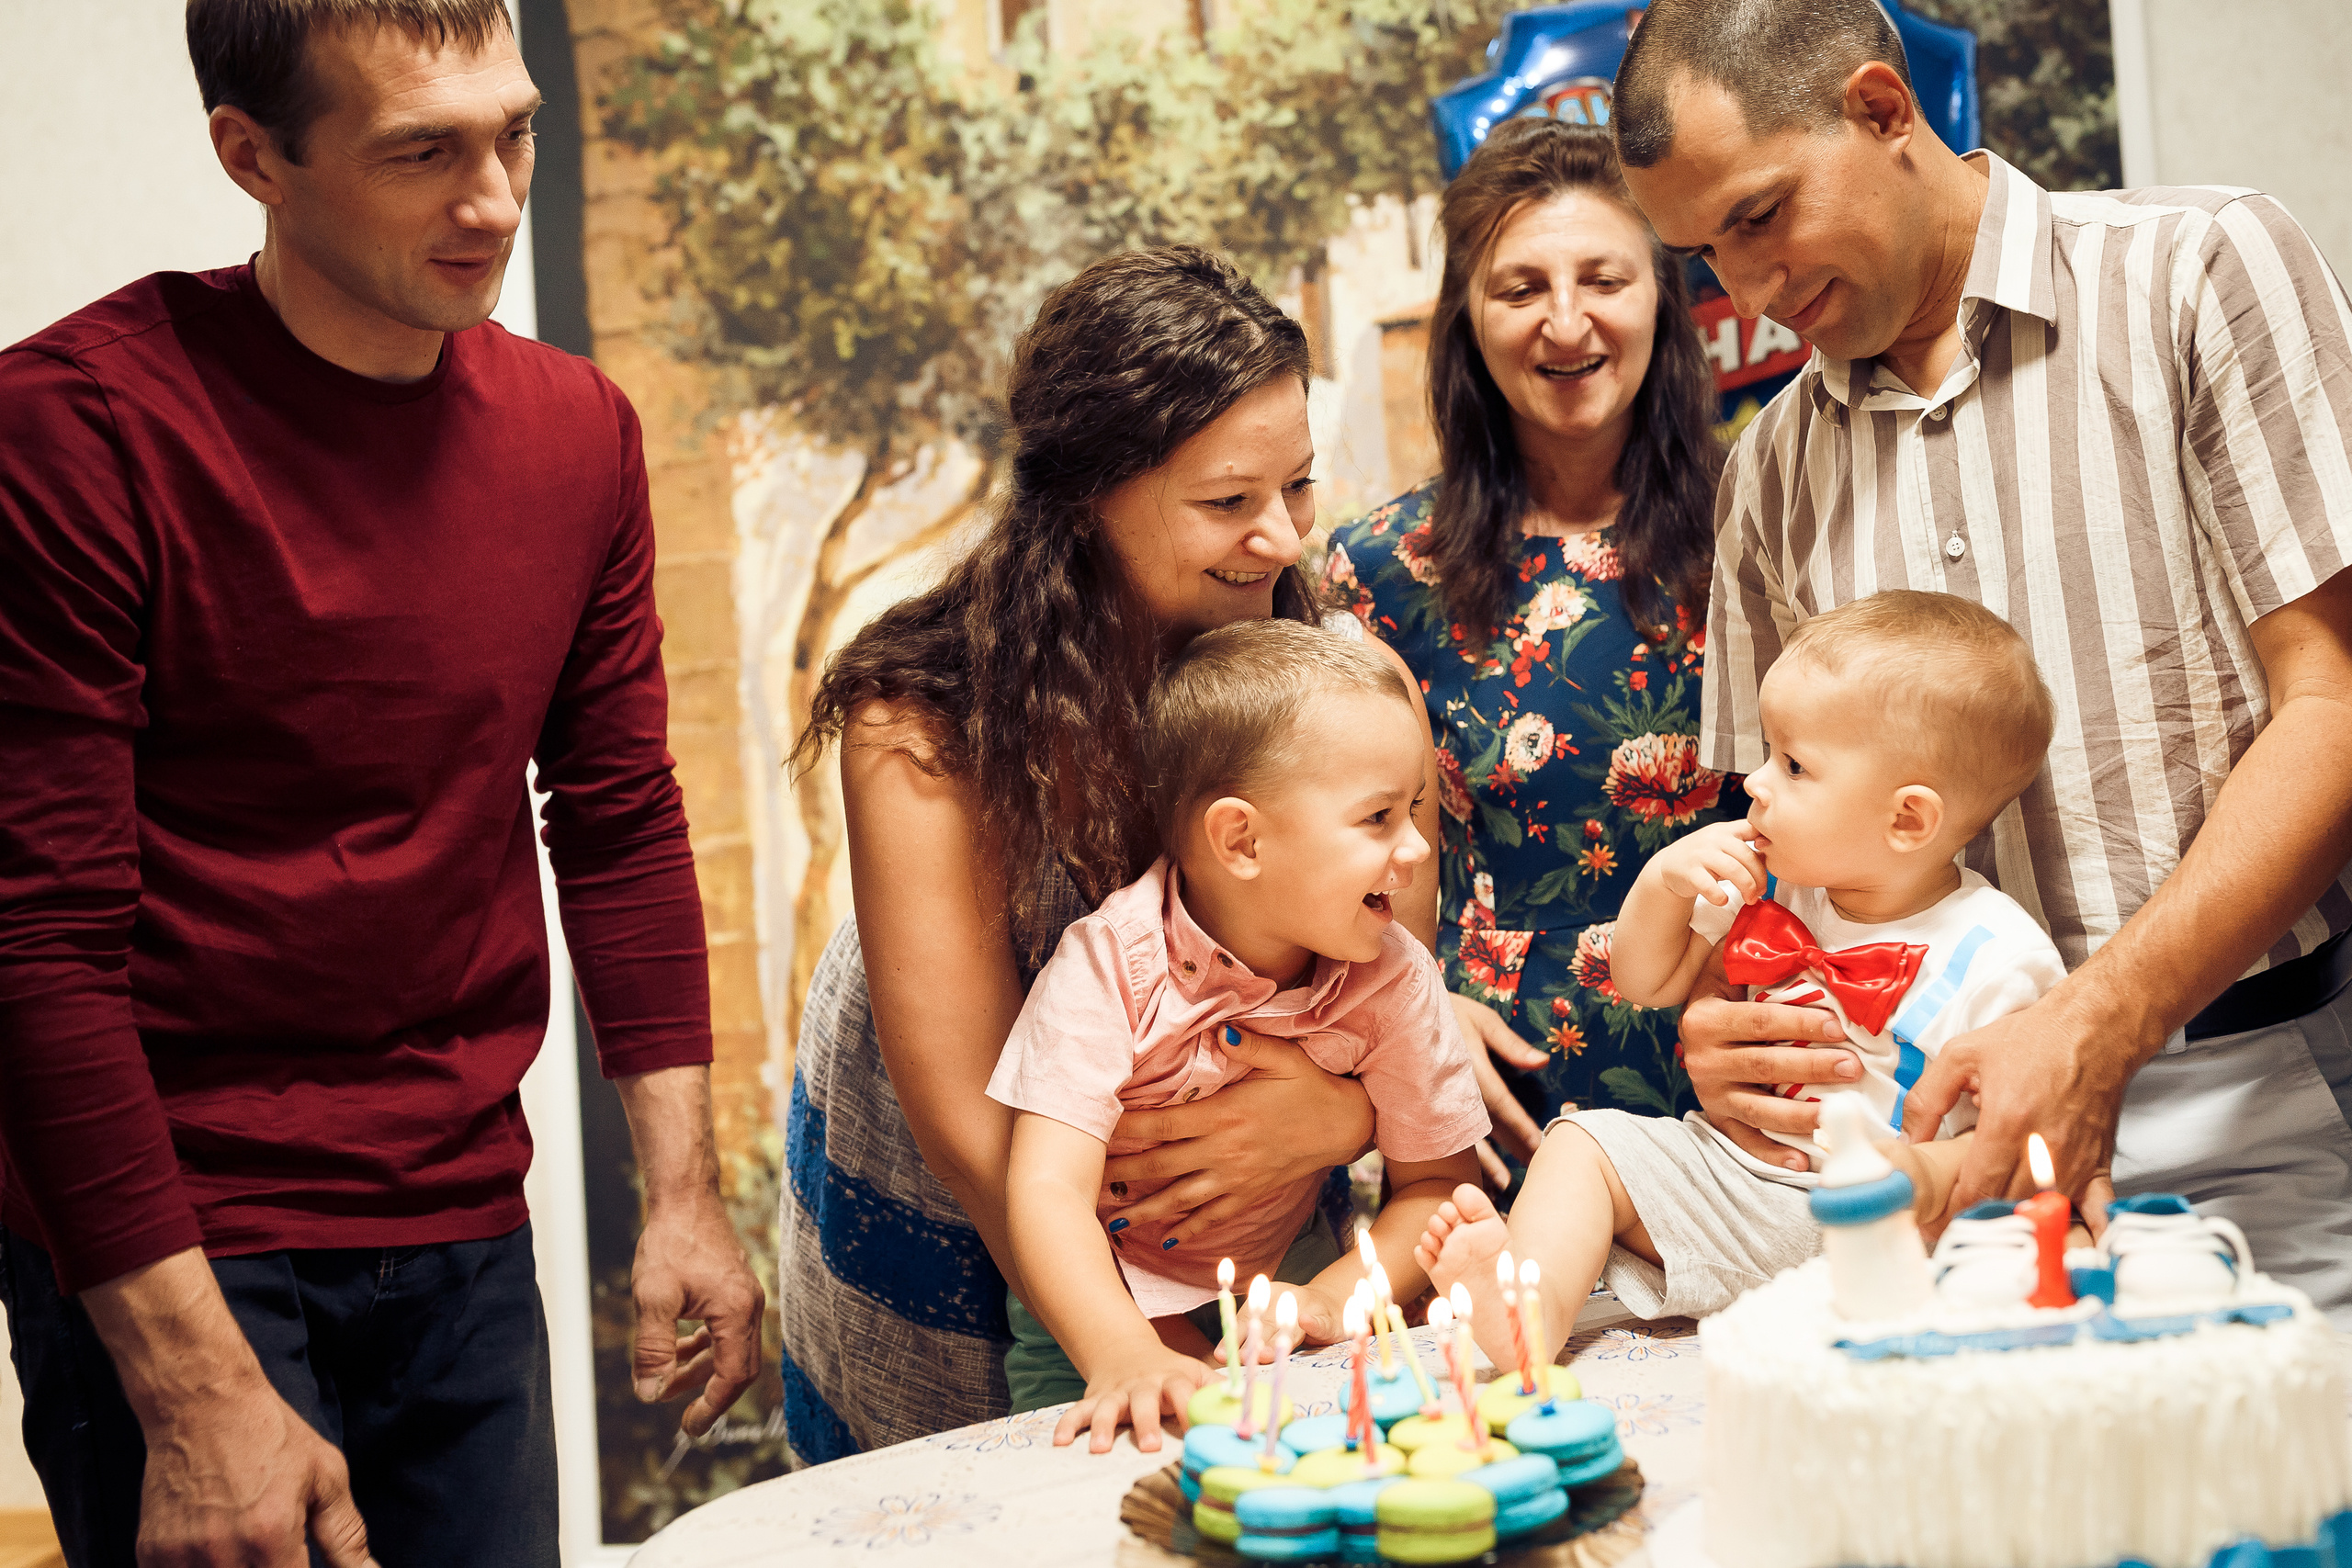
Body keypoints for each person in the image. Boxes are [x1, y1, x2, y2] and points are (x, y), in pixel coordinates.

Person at [0, 4, 764, 1564]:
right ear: (253, 156)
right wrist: (193, 1388)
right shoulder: (70, 434)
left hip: (459, 1214)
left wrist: (680, 1192)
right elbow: (33, 943)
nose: (491, 200)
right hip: (175, 1234)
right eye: (422, 152)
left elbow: (618, 816)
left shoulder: (578, 435)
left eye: (515, 134)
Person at [1610, 0, 2352, 1317]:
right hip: (1926, 1168)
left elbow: (2333, 701)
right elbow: (1778, 845)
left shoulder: (2198, 270)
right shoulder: (1768, 471)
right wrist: (1733, 1026)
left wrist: (2098, 1019)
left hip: (2258, 1098)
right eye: (1706, 252)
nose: (1749, 293)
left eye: (1761, 215)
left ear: (1882, 108)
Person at [778, 245, 1446, 1464]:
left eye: (1297, 486)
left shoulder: (1343, 686)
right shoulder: (922, 725)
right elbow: (978, 1140)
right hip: (982, 1240)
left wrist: (1341, 1117)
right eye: (1226, 502)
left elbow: (1390, 981)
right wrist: (1136, 1338)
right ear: (1088, 494)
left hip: (1251, 1247)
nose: (1280, 538)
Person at [1419, 591, 2068, 1344]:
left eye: (1793, 765)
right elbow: (1646, 980)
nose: (1755, 782)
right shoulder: (1778, 886)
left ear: (1907, 819)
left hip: (1889, 1229)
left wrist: (1919, 1178)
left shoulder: (1999, 953)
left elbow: (2017, 1140)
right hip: (1743, 1183)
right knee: (1581, 1143)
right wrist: (1664, 881)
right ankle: (1524, 1312)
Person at [1323, 118, 1741, 1163]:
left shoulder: (1764, 524)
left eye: (1603, 279)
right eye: (1520, 289)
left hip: (1745, 1061)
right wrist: (1418, 1011)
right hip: (1498, 1095)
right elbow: (1332, 868)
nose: (1565, 322)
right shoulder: (1382, 571)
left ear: (1663, 298)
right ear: (1467, 320)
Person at [993, 620, 1487, 1452]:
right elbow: (1046, 1189)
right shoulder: (1109, 966)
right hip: (1088, 1315)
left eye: (1414, 810)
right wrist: (1121, 1351)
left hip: (1283, 1289)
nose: (1414, 848)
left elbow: (1438, 1185)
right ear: (1242, 840)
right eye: (1377, 817)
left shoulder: (1394, 978)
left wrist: (1330, 1298)